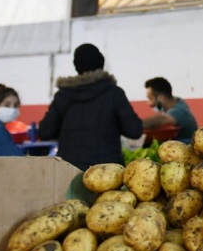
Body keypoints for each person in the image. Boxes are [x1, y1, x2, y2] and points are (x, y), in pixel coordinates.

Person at [37, 43, 143, 171]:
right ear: (101, 63)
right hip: (107, 173)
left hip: (69, 171)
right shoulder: (114, 93)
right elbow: (134, 130)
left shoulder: (62, 95)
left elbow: (45, 131)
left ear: (76, 66)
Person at [141, 77, 199, 142]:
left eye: (150, 99)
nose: (149, 104)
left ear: (160, 98)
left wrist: (136, 125)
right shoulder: (178, 101)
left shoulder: (180, 111)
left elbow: (162, 119)